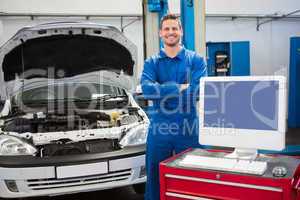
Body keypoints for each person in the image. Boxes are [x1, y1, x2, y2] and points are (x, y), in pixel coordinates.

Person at [140, 14, 207, 200]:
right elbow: (147, 90)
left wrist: (161, 90)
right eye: (167, 29)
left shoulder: (196, 60)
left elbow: (197, 91)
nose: (171, 32)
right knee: (154, 175)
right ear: (161, 33)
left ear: (181, 32)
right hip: (160, 128)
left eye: (174, 28)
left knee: (195, 173)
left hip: (188, 127)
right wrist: (178, 87)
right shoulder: (151, 62)